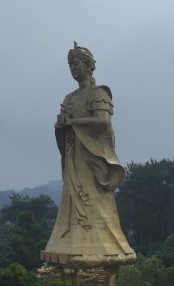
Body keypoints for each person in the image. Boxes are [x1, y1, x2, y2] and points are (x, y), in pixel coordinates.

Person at [41, 43, 135, 265]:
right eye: (70, 65)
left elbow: (103, 122)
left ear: (88, 66)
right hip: (74, 152)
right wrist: (62, 126)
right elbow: (66, 122)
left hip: (92, 155)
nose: (73, 69)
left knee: (93, 196)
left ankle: (105, 243)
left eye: (76, 64)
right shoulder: (69, 98)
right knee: (72, 193)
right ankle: (70, 238)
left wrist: (73, 122)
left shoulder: (99, 93)